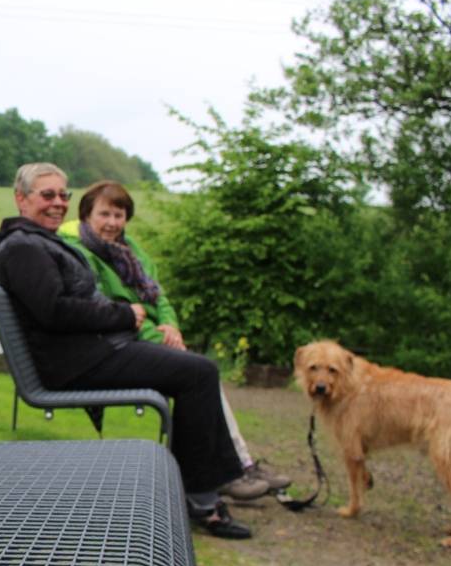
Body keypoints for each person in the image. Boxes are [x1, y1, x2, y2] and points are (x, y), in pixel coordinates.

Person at [0, 162, 252, 538]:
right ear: (21, 198)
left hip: (92, 353)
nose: (58, 203)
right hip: (79, 363)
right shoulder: (22, 247)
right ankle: (203, 499)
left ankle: (206, 487)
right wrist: (122, 314)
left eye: (64, 195)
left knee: (194, 369)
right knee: (199, 373)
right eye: (47, 195)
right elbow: (54, 312)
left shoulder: (38, 241)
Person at [58, 179, 291, 500]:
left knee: (202, 375)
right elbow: (113, 313)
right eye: (105, 214)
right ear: (86, 215)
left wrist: (171, 327)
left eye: (120, 215)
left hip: (148, 337)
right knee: (200, 374)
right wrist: (161, 337)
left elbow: (159, 295)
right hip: (121, 343)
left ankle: (236, 467)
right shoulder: (81, 253)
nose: (113, 223)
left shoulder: (129, 249)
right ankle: (232, 470)